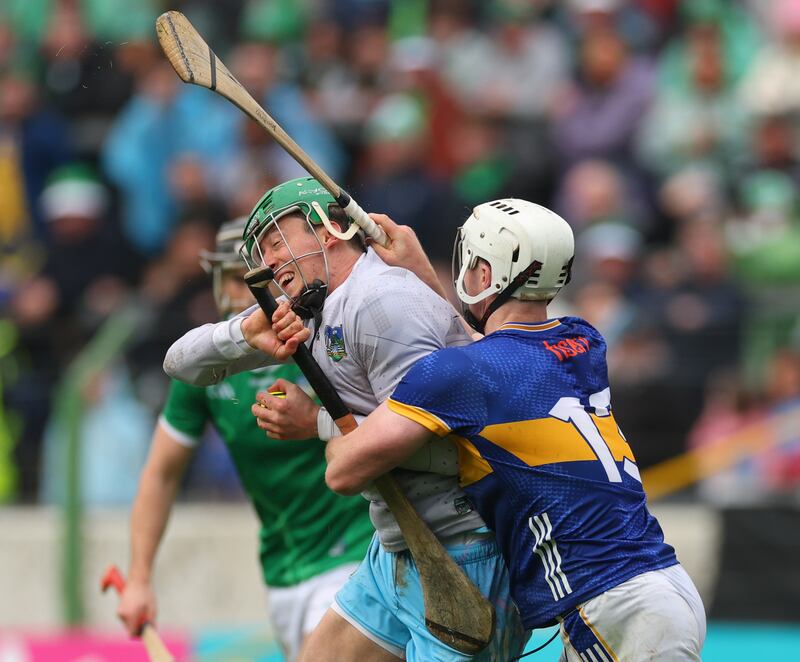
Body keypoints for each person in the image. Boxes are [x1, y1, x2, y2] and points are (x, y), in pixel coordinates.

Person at [323, 201, 707, 661]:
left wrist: (318, 421)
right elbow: (492, 358)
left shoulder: (460, 374)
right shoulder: (584, 341)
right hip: (662, 587)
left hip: (614, 605)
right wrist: (420, 270)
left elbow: (343, 471)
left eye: (472, 263)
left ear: (486, 274)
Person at [163, 177, 528, 661]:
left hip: (465, 547)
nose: (269, 262)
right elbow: (179, 363)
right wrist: (247, 332)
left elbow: (444, 445)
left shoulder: (383, 301)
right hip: (396, 547)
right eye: (261, 253)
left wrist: (316, 422)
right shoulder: (312, 308)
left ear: (330, 230)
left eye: (277, 241)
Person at [116, 218, 375, 661]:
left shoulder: (331, 333)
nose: (247, 295)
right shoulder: (205, 369)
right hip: (282, 570)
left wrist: (316, 422)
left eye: (260, 280)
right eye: (235, 280)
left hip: (356, 551)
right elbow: (160, 474)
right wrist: (139, 578)